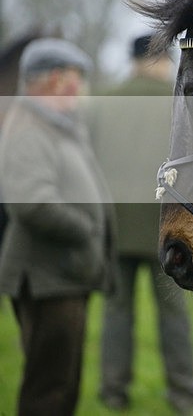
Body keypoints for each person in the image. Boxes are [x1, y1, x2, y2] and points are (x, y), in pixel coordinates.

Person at [0, 37, 116, 416]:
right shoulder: (28, 126)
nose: (78, 87)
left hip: (64, 275)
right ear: (53, 79)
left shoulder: (56, 124)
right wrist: (85, 228)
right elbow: (31, 202)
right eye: (73, 77)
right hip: (46, 278)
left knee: (63, 383)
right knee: (48, 387)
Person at [90, 34, 193, 413]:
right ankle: (184, 395)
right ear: (162, 59)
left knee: (116, 313)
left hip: (114, 226)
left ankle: (113, 392)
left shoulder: (102, 102)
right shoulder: (180, 103)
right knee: (174, 315)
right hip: (168, 229)